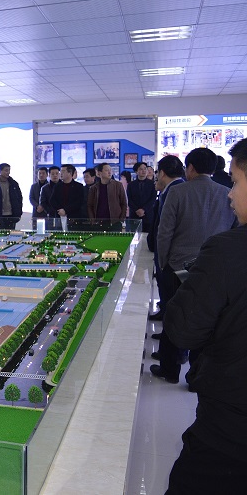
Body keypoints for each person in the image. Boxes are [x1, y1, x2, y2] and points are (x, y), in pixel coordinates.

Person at [163, 138, 247, 493]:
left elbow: (183, 329)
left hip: (230, 427)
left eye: (237, 182)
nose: (231, 194)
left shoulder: (228, 252)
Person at [151, 147, 236, 385]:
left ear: (190, 168)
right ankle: (196, 376)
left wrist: (163, 264)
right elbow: (233, 231)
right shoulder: (227, 193)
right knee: (206, 322)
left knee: (173, 317)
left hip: (177, 267)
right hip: (213, 269)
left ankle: (170, 370)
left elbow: (164, 232)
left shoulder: (178, 192)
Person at [147, 155, 185, 321]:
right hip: (172, 252)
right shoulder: (175, 188)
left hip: (170, 253)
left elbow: (165, 228)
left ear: (162, 173)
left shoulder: (174, 191)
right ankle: (164, 312)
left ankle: (167, 319)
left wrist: (161, 258)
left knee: (169, 288)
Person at [127, 162, 156, 232]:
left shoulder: (152, 184)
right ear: (136, 172)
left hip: (148, 214)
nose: (144, 171)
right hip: (134, 214)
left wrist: (143, 210)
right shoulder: (131, 184)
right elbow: (129, 200)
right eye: (141, 169)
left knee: (148, 235)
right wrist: (137, 210)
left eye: (145, 169)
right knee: (134, 235)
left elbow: (153, 199)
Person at [0, 163, 23, 229]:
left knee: (10, 233)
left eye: (9, 170)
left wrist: (18, 211)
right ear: (0, 171)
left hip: (11, 214)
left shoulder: (13, 183)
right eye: (6, 170)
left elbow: (19, 198)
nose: (8, 172)